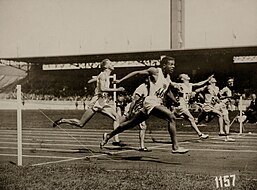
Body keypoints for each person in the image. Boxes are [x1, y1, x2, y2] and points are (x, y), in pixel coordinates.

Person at [100, 56, 189, 153]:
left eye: (174, 64)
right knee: (171, 117)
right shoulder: (155, 71)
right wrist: (120, 80)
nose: (173, 67)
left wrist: (175, 102)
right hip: (150, 101)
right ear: (164, 65)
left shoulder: (167, 77)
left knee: (130, 124)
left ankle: (108, 135)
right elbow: (136, 73)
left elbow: (167, 91)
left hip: (155, 103)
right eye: (171, 64)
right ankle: (175, 147)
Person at [53, 59, 126, 146]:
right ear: (106, 66)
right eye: (110, 63)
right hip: (96, 103)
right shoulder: (103, 75)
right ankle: (63, 120)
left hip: (102, 102)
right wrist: (117, 89)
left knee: (117, 118)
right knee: (81, 124)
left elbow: (95, 82)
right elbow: (102, 89)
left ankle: (114, 139)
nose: (113, 64)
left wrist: (94, 80)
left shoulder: (105, 75)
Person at [170, 73, 213, 139]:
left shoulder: (190, 85)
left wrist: (207, 80)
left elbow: (199, 84)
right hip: (181, 106)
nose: (187, 75)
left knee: (189, 119)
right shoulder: (180, 85)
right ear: (182, 78)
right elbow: (171, 83)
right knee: (191, 119)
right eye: (185, 75)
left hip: (184, 106)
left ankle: (200, 134)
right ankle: (200, 134)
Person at [121, 78, 151, 151]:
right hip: (133, 108)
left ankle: (142, 146)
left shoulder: (150, 88)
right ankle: (109, 135)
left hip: (139, 109)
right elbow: (134, 101)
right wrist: (130, 112)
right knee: (120, 122)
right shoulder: (142, 88)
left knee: (143, 126)